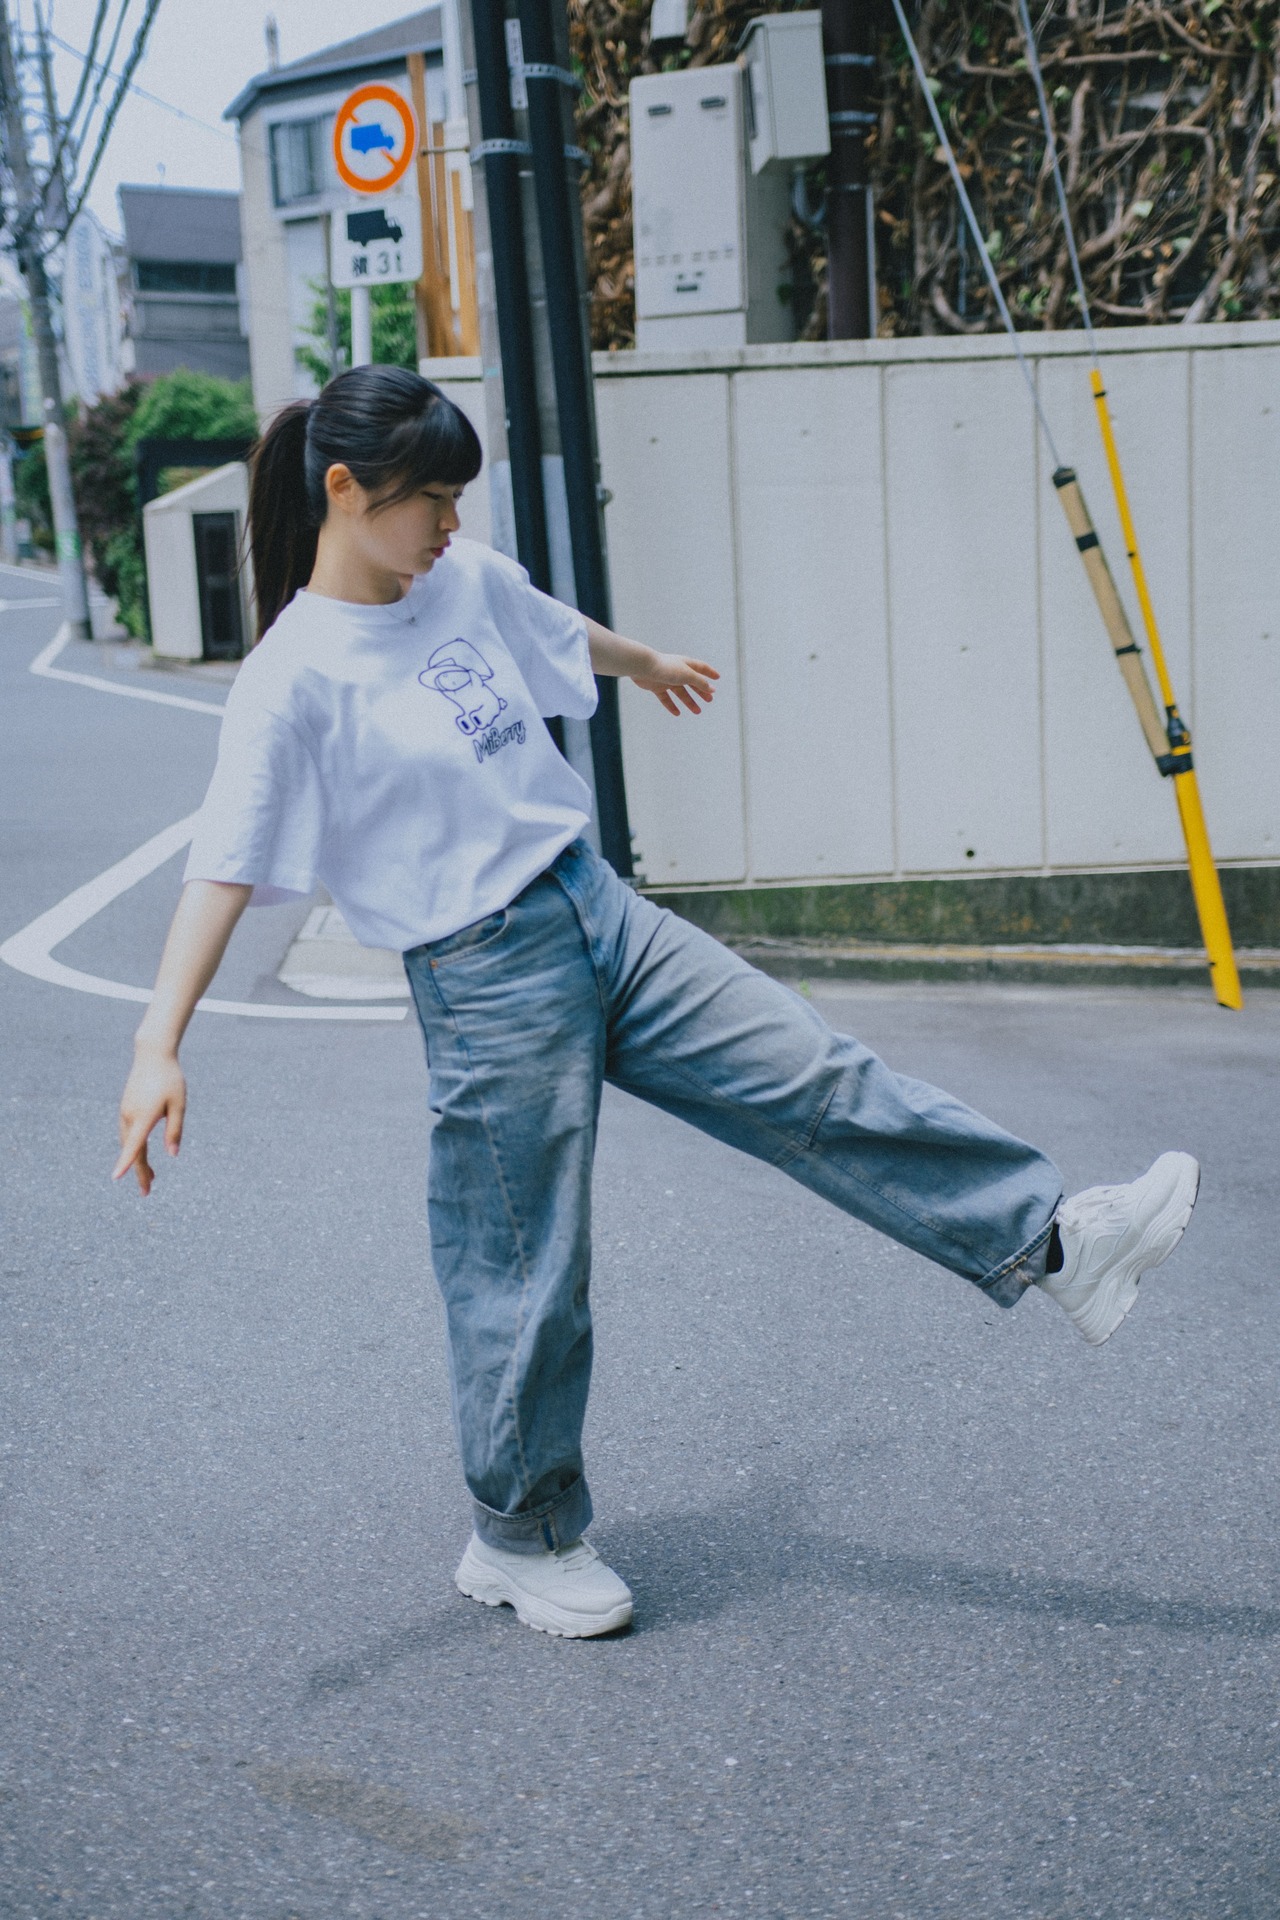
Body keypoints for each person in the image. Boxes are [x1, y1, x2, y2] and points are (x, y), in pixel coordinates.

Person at [114, 367, 1200, 1641]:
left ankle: (1054, 1244)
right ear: (345, 491)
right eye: (431, 500)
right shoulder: (293, 678)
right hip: (482, 978)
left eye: (458, 498)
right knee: (529, 1275)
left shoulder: (458, 577)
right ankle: (520, 1535)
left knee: (812, 1073)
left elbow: (550, 629)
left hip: (594, 909)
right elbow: (222, 867)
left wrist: (645, 664)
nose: (451, 523)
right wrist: (157, 1043)